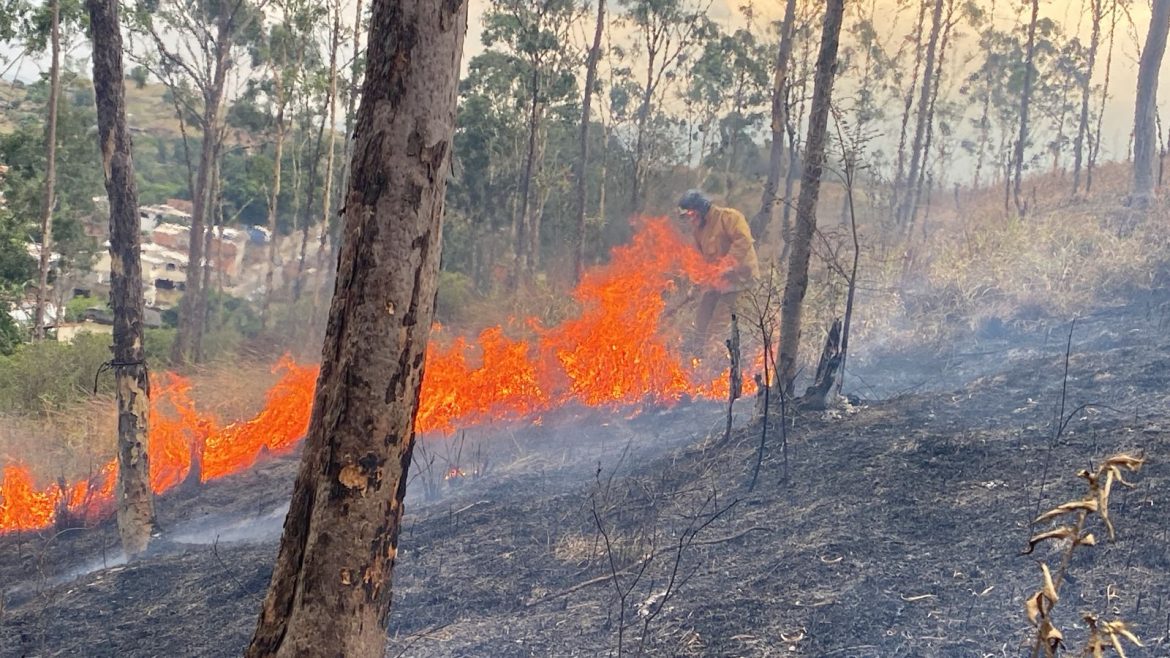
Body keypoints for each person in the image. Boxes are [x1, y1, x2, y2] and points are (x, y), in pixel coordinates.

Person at [677, 189, 760, 360]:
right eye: (686, 215)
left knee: (717, 326)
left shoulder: (729, 217)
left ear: (701, 208)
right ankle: (698, 357)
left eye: (691, 213)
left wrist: (726, 264)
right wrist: (697, 282)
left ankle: (712, 364)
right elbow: (701, 260)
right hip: (717, 281)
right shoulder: (698, 231)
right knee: (701, 320)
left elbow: (744, 241)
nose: (690, 218)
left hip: (739, 281)